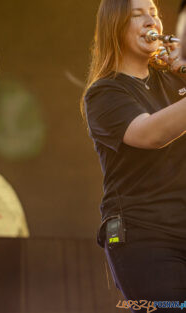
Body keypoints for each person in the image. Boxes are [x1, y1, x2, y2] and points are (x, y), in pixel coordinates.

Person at [82, 0, 186, 310]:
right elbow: (150, 134)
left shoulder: (174, 81)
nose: (150, 21)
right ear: (114, 26)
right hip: (144, 236)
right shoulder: (104, 93)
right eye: (136, 15)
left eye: (153, 14)